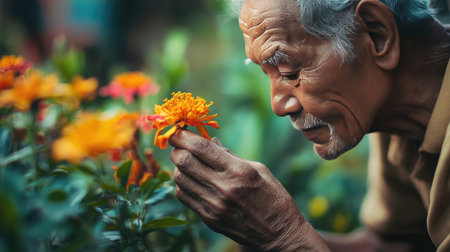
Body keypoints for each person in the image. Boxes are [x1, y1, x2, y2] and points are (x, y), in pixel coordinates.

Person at [168, 0, 450, 251]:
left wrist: (284, 237)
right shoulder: (395, 118)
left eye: (290, 71)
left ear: (377, 34)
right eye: (266, 72)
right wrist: (256, 235)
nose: (278, 106)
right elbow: (395, 243)